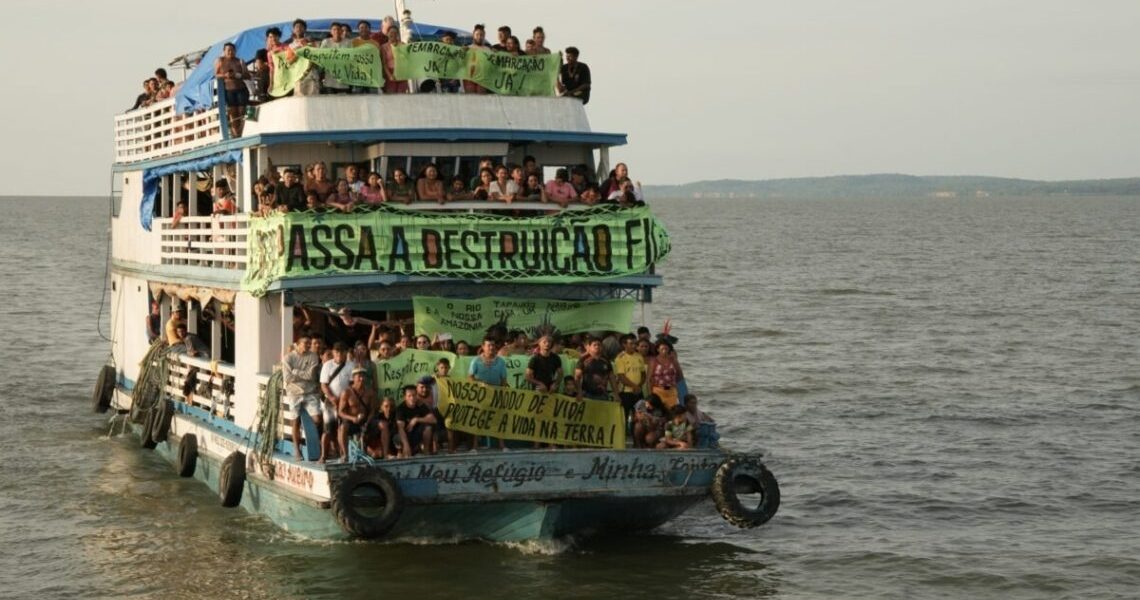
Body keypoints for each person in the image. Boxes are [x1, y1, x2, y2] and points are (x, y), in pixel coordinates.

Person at [283, 336, 323, 460]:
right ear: (298, 344)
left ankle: (316, 444)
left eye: (309, 343)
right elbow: (287, 378)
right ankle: (297, 450)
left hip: (310, 392)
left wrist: (295, 371)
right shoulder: (288, 358)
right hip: (294, 393)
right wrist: (301, 375)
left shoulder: (313, 357)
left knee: (317, 419)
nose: (308, 345)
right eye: (305, 343)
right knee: (295, 421)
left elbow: (310, 376)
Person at [468, 337, 508, 450]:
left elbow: (503, 380)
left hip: (496, 394)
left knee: (498, 419)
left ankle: (502, 446)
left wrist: (503, 394)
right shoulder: (476, 360)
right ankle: (475, 447)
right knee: (477, 419)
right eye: (489, 345)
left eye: (493, 345)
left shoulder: (500, 361)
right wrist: (480, 383)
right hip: (480, 395)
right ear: (483, 347)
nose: (491, 347)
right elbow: (470, 378)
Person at [319, 342, 356, 463]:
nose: (339, 354)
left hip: (344, 402)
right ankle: (323, 456)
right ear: (333, 353)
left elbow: (352, 384)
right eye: (336, 352)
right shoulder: (327, 365)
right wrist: (332, 398)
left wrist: (346, 400)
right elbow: (323, 385)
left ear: (346, 353)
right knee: (328, 429)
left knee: (342, 427)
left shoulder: (351, 365)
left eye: (341, 351)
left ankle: (344, 455)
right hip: (329, 402)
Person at [336, 368, 374, 462]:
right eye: (359, 376)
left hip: (365, 421)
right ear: (353, 378)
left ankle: (385, 454)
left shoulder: (370, 392)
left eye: (363, 376)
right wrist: (352, 418)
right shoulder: (347, 392)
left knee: (383, 426)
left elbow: (372, 410)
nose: (361, 379)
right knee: (342, 428)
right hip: (351, 421)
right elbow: (340, 412)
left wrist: (367, 422)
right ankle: (345, 455)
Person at [215, 43, 250, 137]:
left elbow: (247, 75)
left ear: (235, 51)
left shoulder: (240, 61)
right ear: (224, 51)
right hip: (229, 90)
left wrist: (238, 75)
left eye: (232, 50)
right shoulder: (220, 61)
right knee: (233, 112)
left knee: (242, 111)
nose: (230, 52)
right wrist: (225, 75)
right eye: (228, 50)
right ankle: (236, 134)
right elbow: (216, 75)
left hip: (241, 89)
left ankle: (242, 132)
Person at [395, 385, 436, 457]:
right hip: (405, 435)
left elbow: (433, 419)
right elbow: (400, 429)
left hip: (417, 434)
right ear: (405, 397)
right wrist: (406, 445)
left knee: (428, 428)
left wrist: (416, 419)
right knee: (398, 438)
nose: (412, 398)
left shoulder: (420, 405)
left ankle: (425, 452)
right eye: (409, 396)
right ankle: (402, 452)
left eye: (414, 395)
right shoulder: (400, 409)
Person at [614, 334, 647, 422]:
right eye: (631, 344)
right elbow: (621, 377)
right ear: (624, 345)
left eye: (635, 344)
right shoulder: (620, 358)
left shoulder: (639, 356)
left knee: (640, 415)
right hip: (626, 392)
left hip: (638, 391)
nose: (634, 346)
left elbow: (643, 374)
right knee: (624, 415)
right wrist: (634, 386)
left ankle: (636, 433)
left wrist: (639, 386)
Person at [575, 337, 619, 402]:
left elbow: (612, 378)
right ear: (589, 347)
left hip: (602, 395)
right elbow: (577, 377)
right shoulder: (583, 360)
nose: (597, 346)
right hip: (587, 394)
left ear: (602, 347)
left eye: (599, 345)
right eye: (594, 345)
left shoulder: (606, 360)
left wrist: (616, 394)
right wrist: (579, 392)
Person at [648, 340, 683, 409]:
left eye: (666, 349)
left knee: (672, 411)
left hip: (671, 391)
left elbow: (680, 374)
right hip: (658, 390)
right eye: (662, 349)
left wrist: (677, 388)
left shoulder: (673, 360)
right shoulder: (653, 361)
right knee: (659, 412)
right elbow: (649, 379)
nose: (664, 351)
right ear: (658, 349)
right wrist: (650, 394)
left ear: (669, 349)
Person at [319, 23, 352, 94]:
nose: (336, 31)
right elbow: (321, 57)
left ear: (341, 31)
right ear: (331, 32)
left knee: (344, 103)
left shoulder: (348, 42)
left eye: (338, 29)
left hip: (344, 81)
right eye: (334, 29)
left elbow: (351, 58)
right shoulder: (326, 42)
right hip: (329, 81)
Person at [381, 26, 409, 94]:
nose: (393, 34)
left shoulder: (403, 45)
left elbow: (407, 59)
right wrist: (389, 75)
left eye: (395, 33)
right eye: (391, 32)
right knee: (391, 96)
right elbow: (384, 63)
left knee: (401, 96)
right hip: (390, 73)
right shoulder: (383, 47)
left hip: (402, 73)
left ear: (397, 34)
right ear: (387, 34)